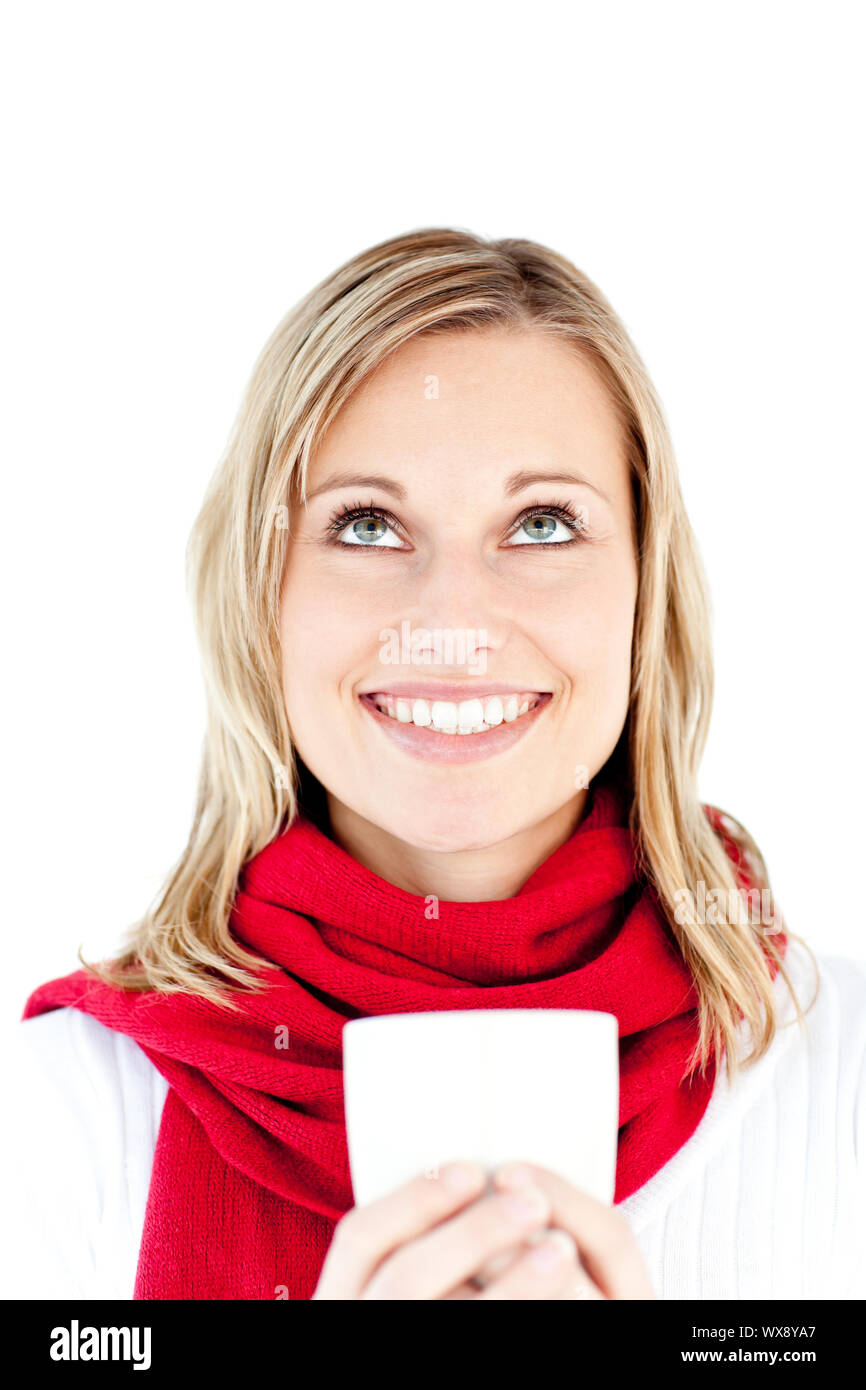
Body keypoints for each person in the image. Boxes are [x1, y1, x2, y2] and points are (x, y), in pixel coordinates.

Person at [7, 228, 865, 1300]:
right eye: (365, 526)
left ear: (644, 588)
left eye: (542, 522)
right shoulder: (54, 1118)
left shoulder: (842, 1082)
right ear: (258, 592)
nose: (451, 621)